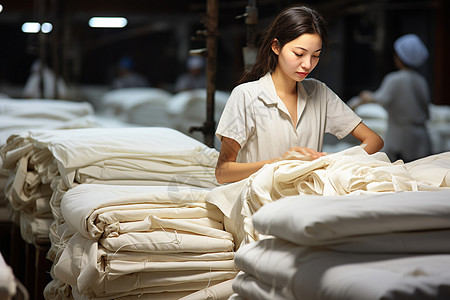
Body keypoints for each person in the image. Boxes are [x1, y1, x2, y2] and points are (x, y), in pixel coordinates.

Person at [215, 5, 383, 184]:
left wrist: (329, 160)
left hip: (308, 198)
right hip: (261, 200)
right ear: (276, 47)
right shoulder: (246, 96)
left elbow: (374, 140)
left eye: (315, 56)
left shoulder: (320, 92)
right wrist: (280, 163)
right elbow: (223, 171)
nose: (307, 65)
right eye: (299, 54)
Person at [356, 34, 432, 163]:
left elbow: (381, 98)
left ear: (399, 57)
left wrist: (367, 96)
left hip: (402, 138)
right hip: (421, 137)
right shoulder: (421, 80)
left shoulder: (395, 79)